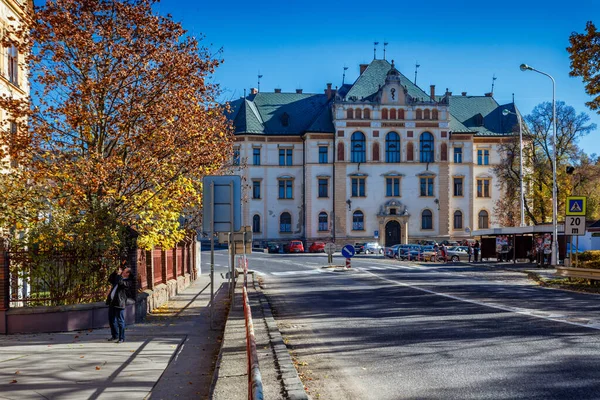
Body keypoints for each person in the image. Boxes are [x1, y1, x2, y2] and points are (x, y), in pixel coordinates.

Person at [106, 265, 133, 343]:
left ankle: (121, 338)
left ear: (127, 274)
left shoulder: (128, 282)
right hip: (112, 302)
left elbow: (121, 283)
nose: (123, 271)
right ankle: (114, 335)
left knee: (120, 321)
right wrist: (115, 272)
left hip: (119, 303)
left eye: (125, 271)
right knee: (111, 320)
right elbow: (110, 279)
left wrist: (118, 275)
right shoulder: (118, 278)